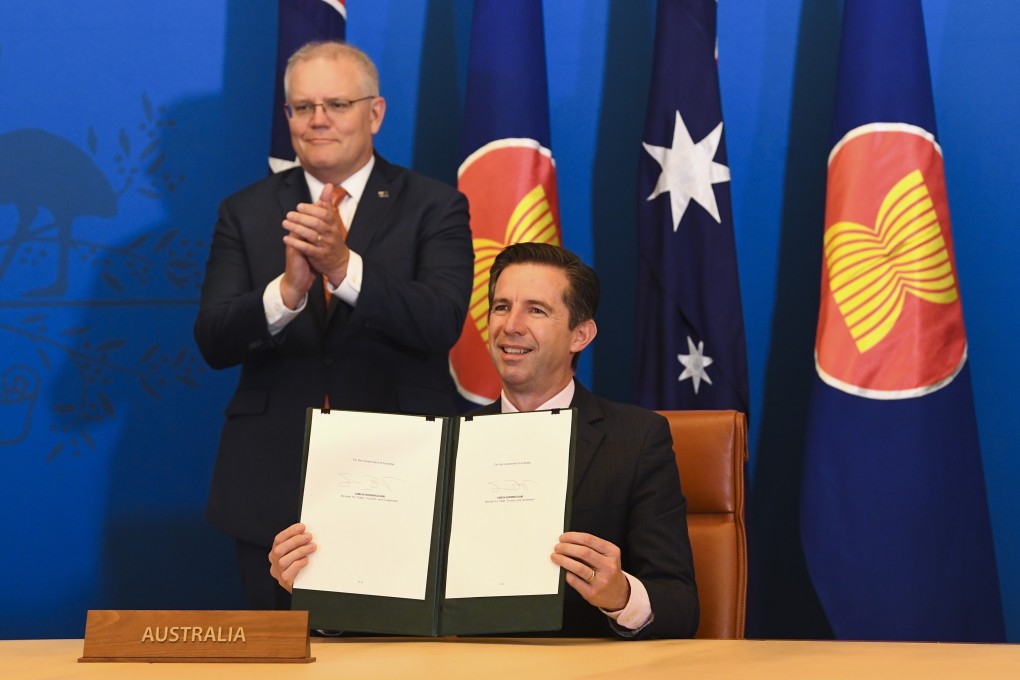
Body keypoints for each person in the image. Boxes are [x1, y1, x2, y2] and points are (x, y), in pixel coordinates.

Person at [270, 243, 699, 639]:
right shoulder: (436, 443)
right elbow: (395, 609)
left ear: (580, 335)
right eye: (501, 307)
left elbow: (680, 604)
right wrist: (319, 588)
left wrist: (621, 595)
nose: (511, 326)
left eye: (536, 310)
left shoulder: (637, 439)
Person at [194, 41, 474, 610]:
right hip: (271, 482)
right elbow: (214, 339)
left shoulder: (435, 206)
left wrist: (344, 269)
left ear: (375, 113)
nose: (317, 120)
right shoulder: (243, 211)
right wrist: (288, 292)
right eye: (302, 107)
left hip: (399, 471)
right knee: (277, 656)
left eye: (337, 104)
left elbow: (440, 321)